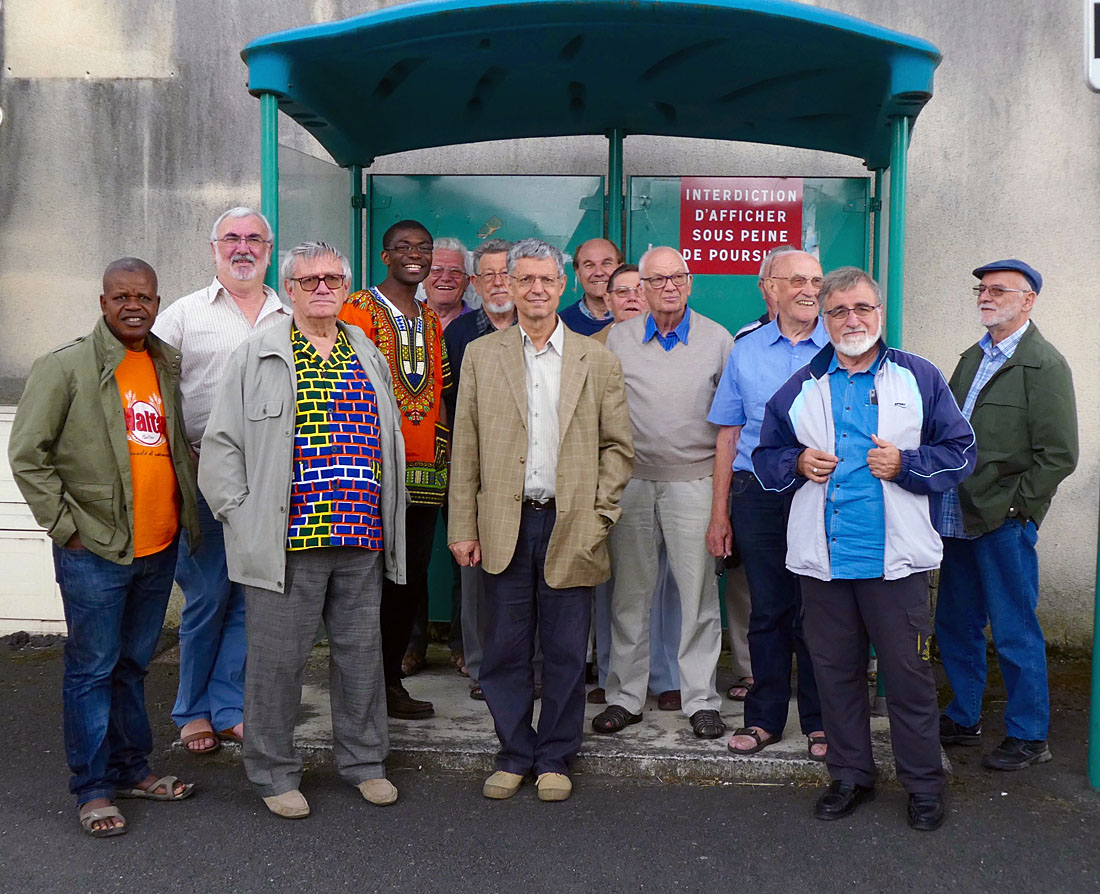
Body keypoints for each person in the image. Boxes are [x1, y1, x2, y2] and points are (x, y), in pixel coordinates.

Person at [754, 266, 976, 831]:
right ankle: (850, 775)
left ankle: (923, 784)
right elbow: (765, 457)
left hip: (894, 562)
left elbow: (961, 451)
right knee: (835, 675)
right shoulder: (801, 384)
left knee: (906, 678)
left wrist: (907, 465)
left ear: (880, 314)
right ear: (823, 319)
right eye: (839, 311)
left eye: (863, 309)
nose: (852, 320)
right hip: (823, 562)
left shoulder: (918, 376)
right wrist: (799, 463)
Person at [199, 242, 408, 819]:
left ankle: (365, 763)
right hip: (287, 542)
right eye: (310, 279)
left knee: (361, 657)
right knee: (276, 664)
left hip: (361, 537)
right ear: (289, 289)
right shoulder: (258, 354)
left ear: (346, 287)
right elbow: (220, 448)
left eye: (333, 278)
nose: (322, 287)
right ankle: (272, 773)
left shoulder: (365, 349)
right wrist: (241, 516)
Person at [9, 258, 199, 838]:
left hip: (158, 544)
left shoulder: (165, 362)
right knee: (92, 669)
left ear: (157, 300)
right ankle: (92, 788)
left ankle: (131, 768)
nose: (133, 305)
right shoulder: (65, 367)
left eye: (144, 295)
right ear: (103, 303)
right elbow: (28, 456)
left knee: (131, 665)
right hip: (94, 547)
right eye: (122, 296)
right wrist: (64, 527)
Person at [448, 238, 633, 802]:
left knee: (564, 650)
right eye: (522, 279)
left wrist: (599, 517)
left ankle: (555, 756)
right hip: (504, 523)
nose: (534, 289)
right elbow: (466, 447)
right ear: (506, 284)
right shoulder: (483, 355)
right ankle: (513, 753)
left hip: (570, 524)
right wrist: (463, 526)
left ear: (563, 285)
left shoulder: (597, 359)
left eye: (545, 280)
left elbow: (617, 449)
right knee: (503, 649)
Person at [154, 206, 290, 754]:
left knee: (250, 599)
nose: (243, 247)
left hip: (274, 481)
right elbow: (153, 394)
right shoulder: (184, 316)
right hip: (201, 473)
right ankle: (191, 710)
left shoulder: (290, 315)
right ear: (213, 249)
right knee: (209, 594)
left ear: (269, 249)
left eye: (253, 238)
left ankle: (229, 706)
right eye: (231, 238)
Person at [934, 259, 1078, 771]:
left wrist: (1020, 509)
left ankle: (1029, 735)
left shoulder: (1044, 365)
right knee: (956, 622)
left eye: (998, 290)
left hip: (1003, 520)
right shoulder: (973, 357)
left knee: (1014, 628)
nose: (985, 296)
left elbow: (1059, 455)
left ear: (1028, 300)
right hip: (957, 512)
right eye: (981, 288)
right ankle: (964, 716)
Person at [596, 248, 732, 739]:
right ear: (642, 289)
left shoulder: (718, 340)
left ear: (689, 282)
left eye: (677, 277)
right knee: (630, 595)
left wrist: (722, 504)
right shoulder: (618, 337)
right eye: (657, 280)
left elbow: (729, 427)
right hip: (631, 482)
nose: (668, 287)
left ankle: (700, 699)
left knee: (697, 597)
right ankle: (625, 697)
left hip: (694, 481)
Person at [706, 249, 827, 759]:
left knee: (821, 612)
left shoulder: (844, 347)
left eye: (817, 281)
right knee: (767, 610)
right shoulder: (746, 350)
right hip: (756, 495)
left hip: (822, 491)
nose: (809, 290)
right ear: (769, 287)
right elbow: (729, 436)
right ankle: (765, 719)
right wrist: (719, 514)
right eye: (796, 279)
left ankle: (822, 721)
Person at [339, 220, 450, 719]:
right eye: (403, 247)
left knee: (411, 579)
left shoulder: (430, 319)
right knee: (370, 581)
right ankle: (364, 689)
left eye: (423, 248)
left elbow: (438, 397)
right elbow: (347, 390)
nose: (414, 255)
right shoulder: (358, 311)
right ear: (384, 255)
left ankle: (390, 685)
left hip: (425, 470)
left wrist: (443, 461)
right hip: (374, 471)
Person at [588, 264, 683, 711]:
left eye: (635, 291)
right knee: (614, 582)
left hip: (666, 476)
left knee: (666, 583)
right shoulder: (592, 348)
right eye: (619, 292)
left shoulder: (674, 343)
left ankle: (666, 677)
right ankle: (614, 676)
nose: (629, 298)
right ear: (606, 301)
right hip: (611, 479)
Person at [443, 238, 518, 699]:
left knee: (523, 575)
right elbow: (451, 407)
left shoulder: (541, 327)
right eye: (487, 275)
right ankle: (480, 668)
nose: (497, 282)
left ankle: (524, 666)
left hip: (529, 473)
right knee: (475, 575)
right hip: (475, 467)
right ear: (475, 282)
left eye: (505, 273)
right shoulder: (459, 333)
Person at [558, 238, 622, 336]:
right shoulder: (561, 326)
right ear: (578, 273)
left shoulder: (638, 317)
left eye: (606, 263)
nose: (599, 272)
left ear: (620, 269)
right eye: (589, 265)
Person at [423, 237, 474, 329]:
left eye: (455, 271)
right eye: (436, 270)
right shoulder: (404, 321)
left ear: (467, 282)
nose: (446, 278)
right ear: (423, 278)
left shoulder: (481, 325)